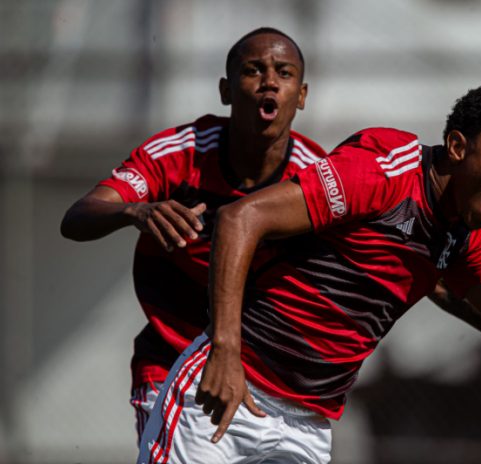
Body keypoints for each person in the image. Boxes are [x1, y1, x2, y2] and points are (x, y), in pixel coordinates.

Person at [137, 84, 481, 463]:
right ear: (457, 147)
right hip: (231, 387)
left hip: (307, 421)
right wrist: (225, 350)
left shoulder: (464, 231)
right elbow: (240, 218)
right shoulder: (387, 171)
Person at [60, 27, 327, 444]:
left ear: (303, 95)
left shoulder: (316, 175)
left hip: (267, 375)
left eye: (284, 73)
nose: (270, 82)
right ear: (225, 90)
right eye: (253, 70)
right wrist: (136, 210)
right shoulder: (180, 152)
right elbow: (77, 217)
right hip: (172, 358)